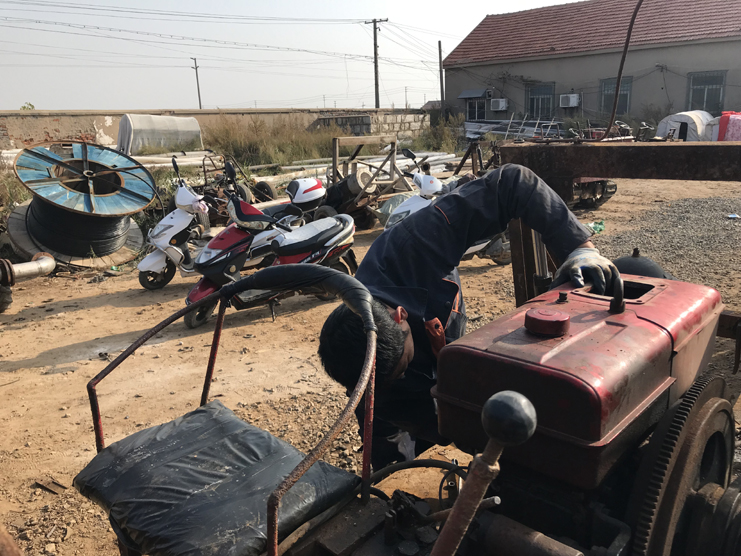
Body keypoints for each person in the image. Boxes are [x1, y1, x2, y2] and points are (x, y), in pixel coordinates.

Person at [318, 164, 618, 469]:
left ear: (400, 316)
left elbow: (513, 182)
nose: (403, 375)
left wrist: (578, 248)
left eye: (404, 365)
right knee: (396, 462)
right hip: (396, 398)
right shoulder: (364, 367)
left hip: (433, 357)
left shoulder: (414, 246)